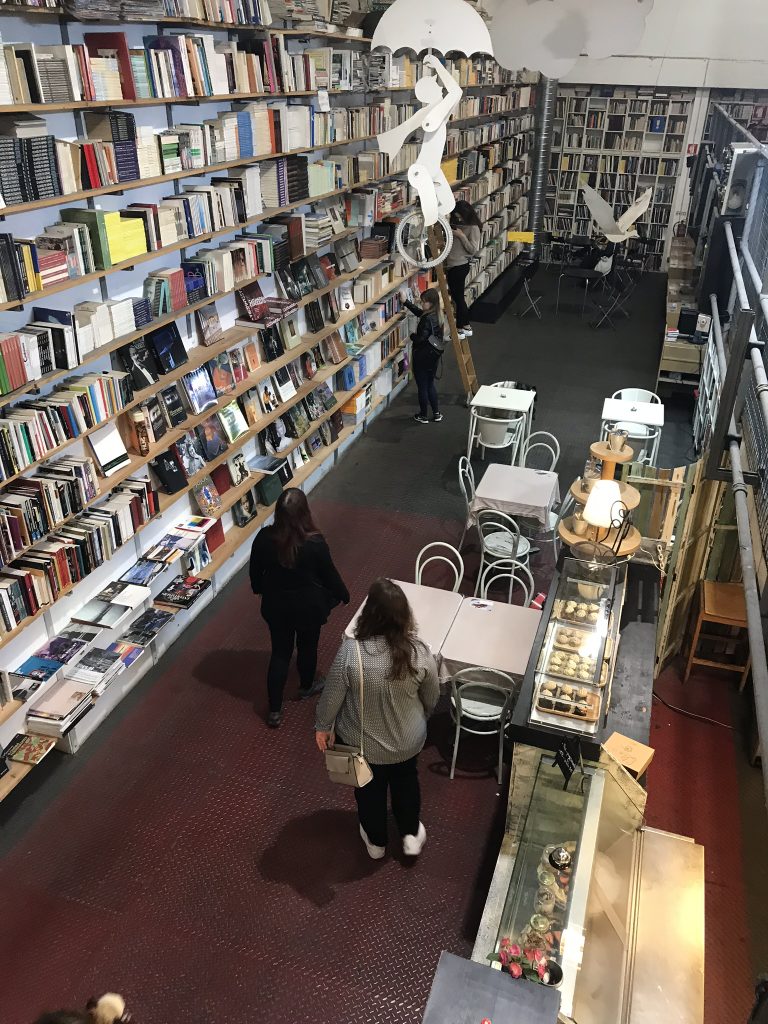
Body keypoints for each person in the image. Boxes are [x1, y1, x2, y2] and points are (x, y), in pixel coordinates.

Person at [315, 578, 439, 860]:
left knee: (369, 793)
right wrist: (422, 717)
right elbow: (432, 695)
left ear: (368, 613)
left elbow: (332, 695)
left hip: (364, 745)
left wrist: (323, 727)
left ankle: (376, 842)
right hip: (408, 741)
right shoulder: (418, 651)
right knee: (407, 784)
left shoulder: (351, 652)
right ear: (404, 614)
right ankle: (410, 835)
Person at [249, 488, 349, 728]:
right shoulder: (314, 543)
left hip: (276, 606)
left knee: (280, 653)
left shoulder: (264, 538)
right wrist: (344, 594)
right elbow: (329, 575)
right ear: (305, 512)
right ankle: (306, 685)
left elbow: (255, 575)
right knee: (307, 645)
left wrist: (261, 589)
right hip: (308, 607)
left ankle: (274, 710)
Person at [402, 287, 445, 425]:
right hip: (433, 356)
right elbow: (420, 313)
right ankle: (437, 413)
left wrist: (411, 335)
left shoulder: (426, 319)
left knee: (422, 386)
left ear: (431, 303)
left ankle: (423, 415)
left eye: (424, 302)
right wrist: (406, 302)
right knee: (430, 384)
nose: (422, 304)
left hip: (422, 357)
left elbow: (421, 339)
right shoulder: (437, 315)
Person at [446, 200, 482, 339]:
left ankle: (461, 327)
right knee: (457, 297)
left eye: (460, 215)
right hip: (453, 264)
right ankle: (465, 325)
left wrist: (461, 236)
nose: (458, 218)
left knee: (458, 297)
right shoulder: (456, 224)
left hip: (459, 265)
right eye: (456, 216)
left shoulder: (473, 228)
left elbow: (473, 250)